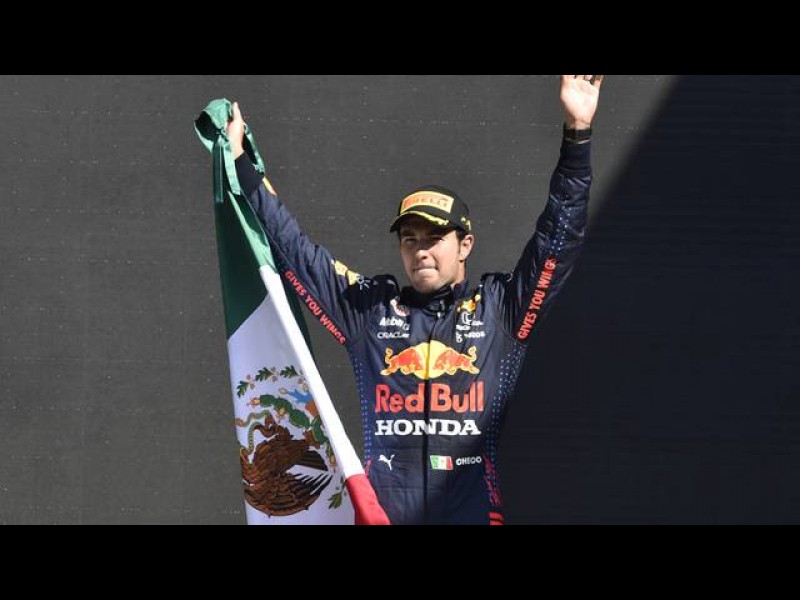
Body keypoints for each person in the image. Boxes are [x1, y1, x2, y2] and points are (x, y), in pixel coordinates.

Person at [227, 75, 603, 525]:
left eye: (434, 237)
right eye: (410, 238)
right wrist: (242, 166)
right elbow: (297, 253)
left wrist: (577, 135)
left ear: (464, 245)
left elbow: (557, 241)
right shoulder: (369, 311)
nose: (421, 250)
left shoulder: (500, 311)